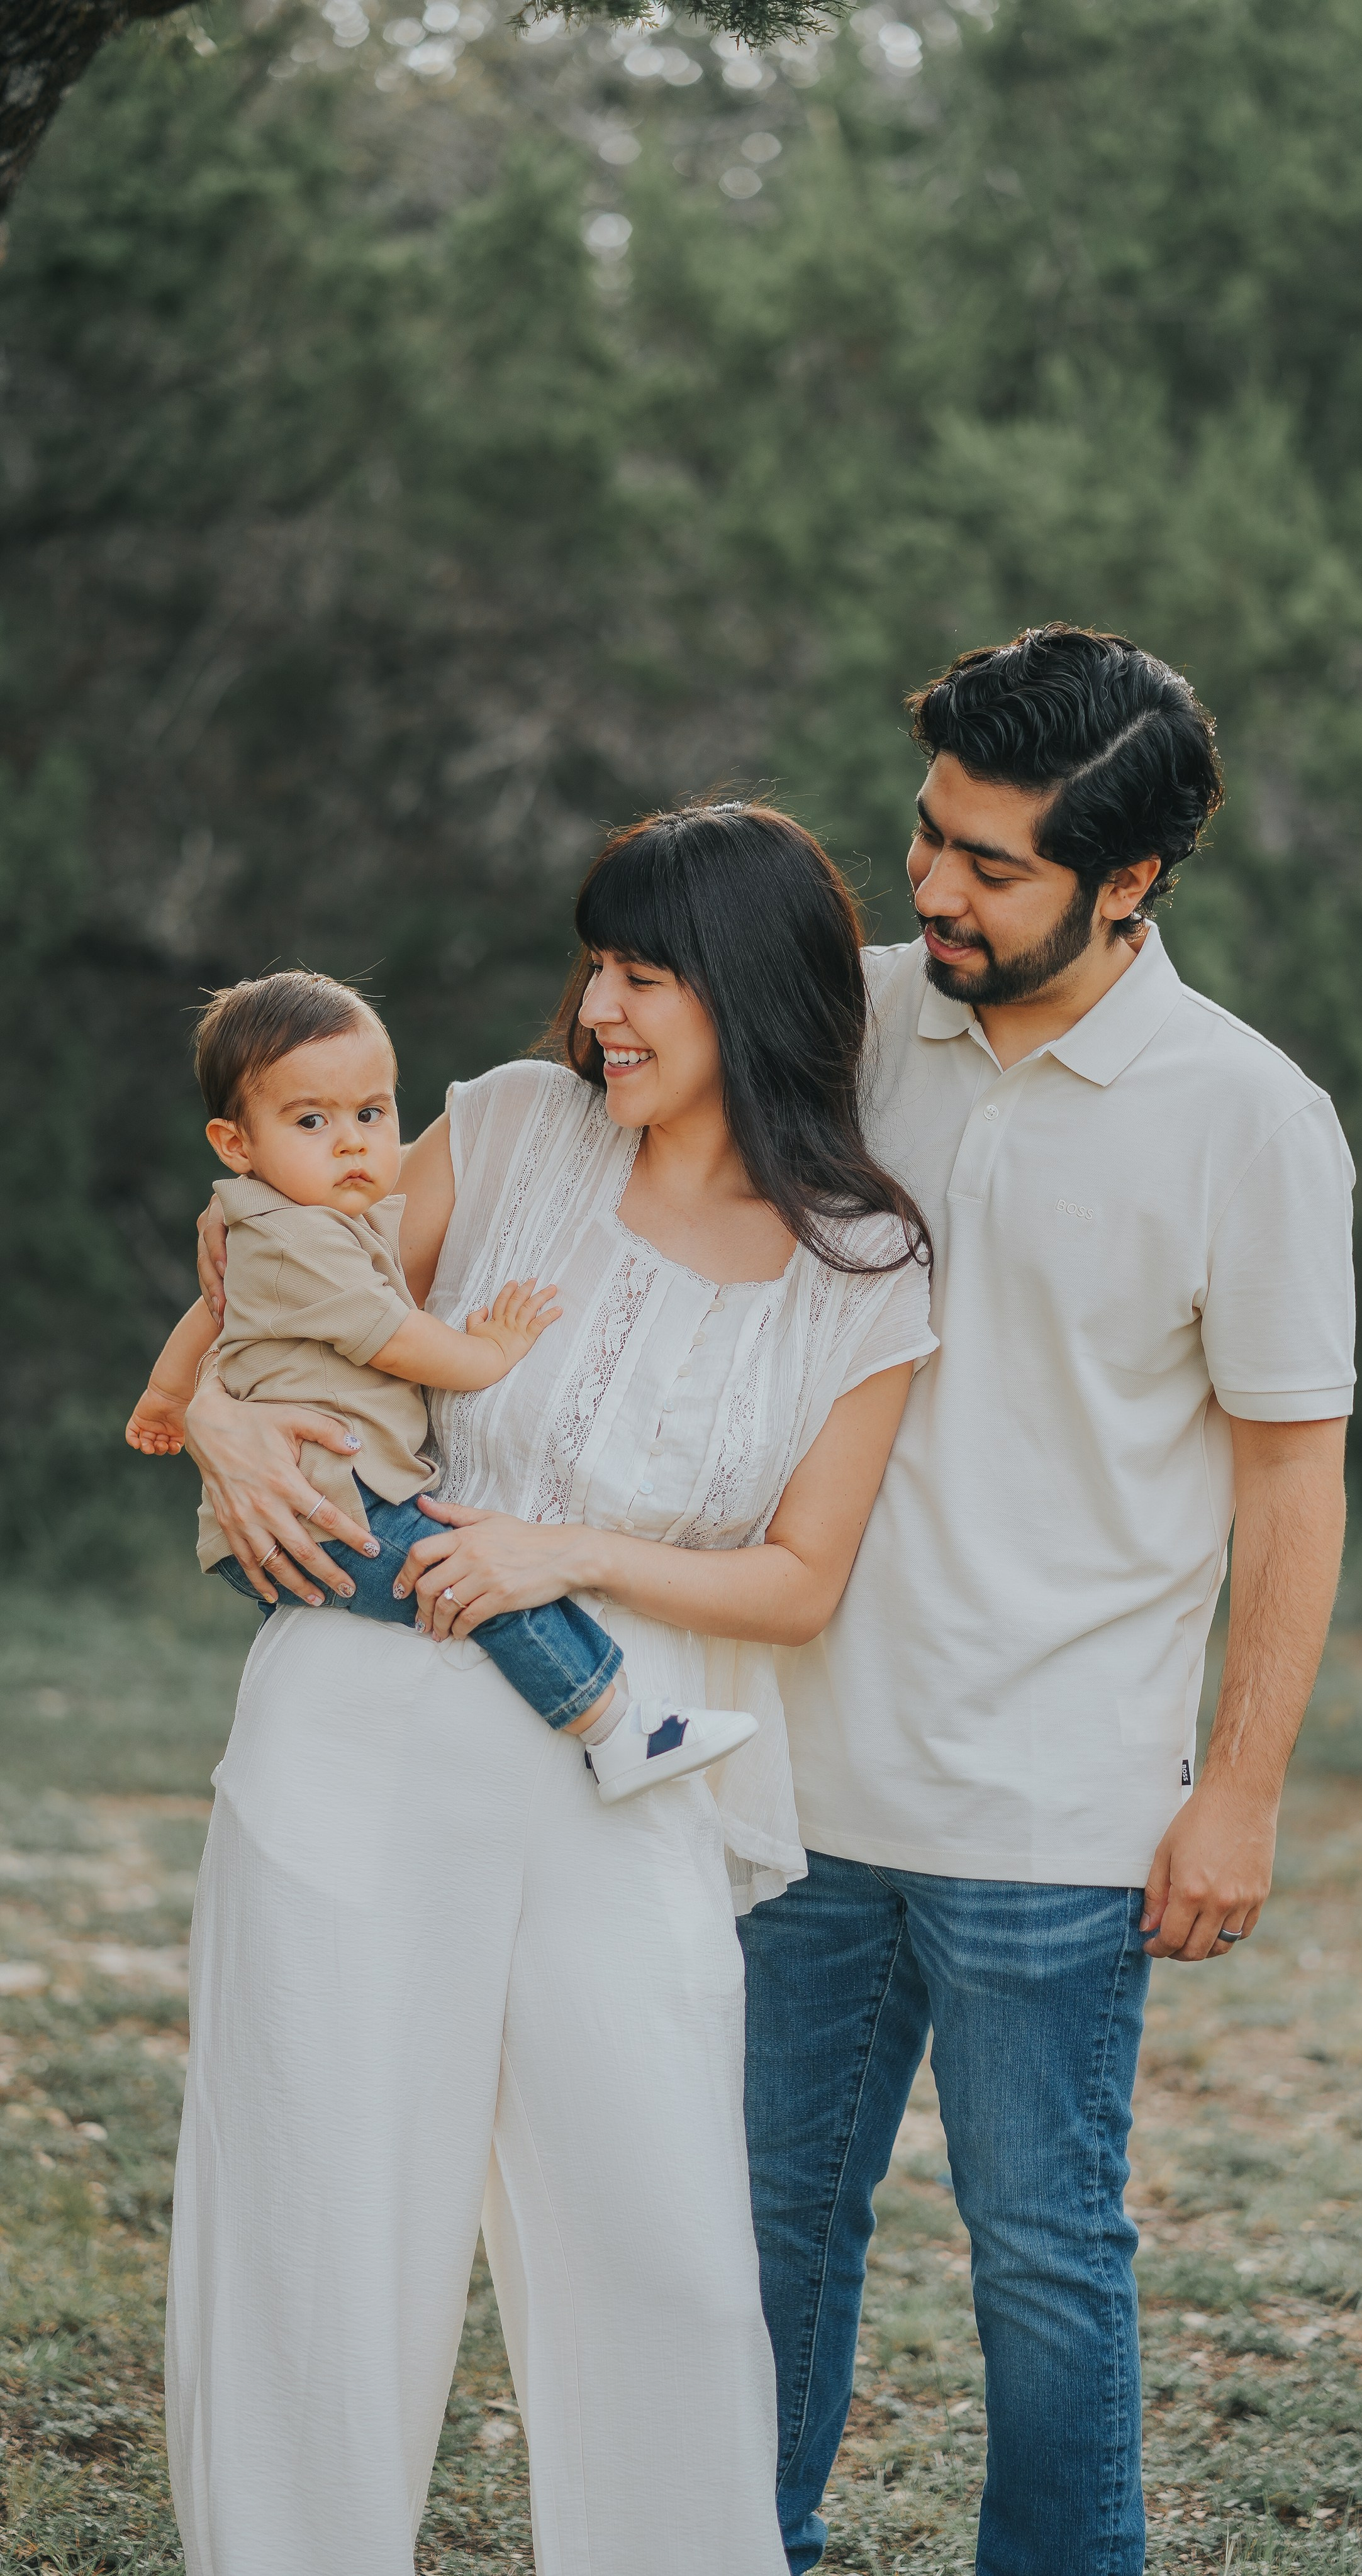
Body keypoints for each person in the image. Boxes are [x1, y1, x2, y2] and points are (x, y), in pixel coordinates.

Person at [166, 802, 937, 2576]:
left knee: (662, 2246)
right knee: (321, 2215)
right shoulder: (513, 1126)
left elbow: (800, 1582)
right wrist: (207, 1415)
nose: (597, 1009)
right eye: (596, 967)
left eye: (644, 975)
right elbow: (275, 1284)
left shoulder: (866, 1266)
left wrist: (567, 1554)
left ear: (751, 990)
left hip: (625, 1769)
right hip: (359, 1722)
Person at [741, 626, 1356, 2576]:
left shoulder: (1247, 1115)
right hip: (786, 1775)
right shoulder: (839, 1015)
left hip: (1056, 1808)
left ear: (1130, 875)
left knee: (1044, 2261)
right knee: (760, 2227)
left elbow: (1291, 1476)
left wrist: (1238, 1791)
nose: (932, 886)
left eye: (991, 865)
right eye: (928, 834)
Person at [126, 967, 757, 1801]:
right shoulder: (304, 1241)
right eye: (311, 1120)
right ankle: (614, 1731)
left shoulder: (287, 1224)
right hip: (337, 1501)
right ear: (235, 1145)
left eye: (371, 1113)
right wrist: (491, 1349)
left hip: (325, 1500)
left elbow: (212, 1308)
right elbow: (402, 1342)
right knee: (480, 1579)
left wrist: (170, 1396)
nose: (351, 1143)